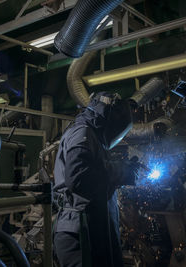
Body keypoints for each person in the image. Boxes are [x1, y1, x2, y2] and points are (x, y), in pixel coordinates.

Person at [53, 92, 140, 267]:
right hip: (80, 230)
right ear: (108, 118)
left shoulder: (93, 135)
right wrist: (120, 172)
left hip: (93, 226)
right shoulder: (82, 133)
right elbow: (79, 178)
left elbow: (98, 173)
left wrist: (120, 168)